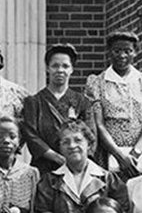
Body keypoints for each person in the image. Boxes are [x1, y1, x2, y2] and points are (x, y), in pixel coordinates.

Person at [35, 119, 129, 213]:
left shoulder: (109, 180)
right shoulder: (49, 181)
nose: (72, 146)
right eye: (65, 142)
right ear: (60, 147)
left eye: (78, 140)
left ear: (89, 144)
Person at [85, 31, 142, 178]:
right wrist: (119, 155)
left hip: (141, 155)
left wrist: (135, 154)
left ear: (135, 52)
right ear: (109, 52)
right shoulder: (96, 83)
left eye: (128, 51)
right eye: (117, 51)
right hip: (107, 154)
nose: (122, 55)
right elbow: (98, 123)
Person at [21, 43, 100, 174]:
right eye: (55, 66)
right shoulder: (34, 102)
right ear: (47, 68)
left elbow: (91, 136)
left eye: (65, 66)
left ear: (72, 69)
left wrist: (77, 160)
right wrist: (57, 158)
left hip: (76, 167)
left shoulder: (83, 102)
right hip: (45, 167)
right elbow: (31, 137)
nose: (60, 70)